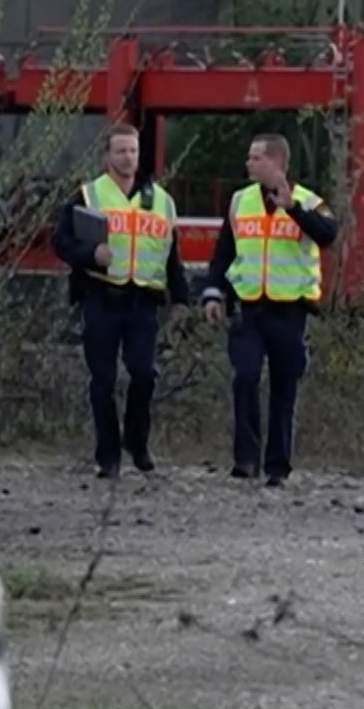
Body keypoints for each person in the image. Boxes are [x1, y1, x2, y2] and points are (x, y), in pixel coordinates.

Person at [198, 133, 338, 488]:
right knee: (244, 376)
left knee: (283, 389)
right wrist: (213, 292)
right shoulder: (239, 202)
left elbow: (328, 234)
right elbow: (224, 253)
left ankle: (278, 465)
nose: (248, 164)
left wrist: (293, 208)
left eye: (255, 158)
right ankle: (246, 459)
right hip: (249, 309)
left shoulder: (309, 200)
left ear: (277, 162)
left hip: (290, 311)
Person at [51, 123, 190, 478]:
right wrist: (89, 254)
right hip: (101, 295)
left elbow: (172, 254)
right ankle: (108, 456)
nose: (128, 158)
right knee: (103, 379)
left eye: (133, 151)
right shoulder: (88, 196)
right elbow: (61, 243)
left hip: (143, 299)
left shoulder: (161, 201)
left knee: (144, 373)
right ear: (107, 156)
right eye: (121, 151)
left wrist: (182, 298)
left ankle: (137, 441)